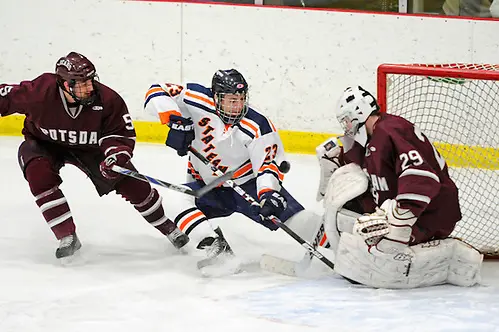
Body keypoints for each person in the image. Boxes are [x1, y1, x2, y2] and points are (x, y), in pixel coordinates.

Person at [0, 51, 189, 261]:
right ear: (63, 83)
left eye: (90, 81)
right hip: (44, 143)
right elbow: (4, 97)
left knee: (135, 186)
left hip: (93, 149)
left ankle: (168, 227)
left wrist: (114, 157)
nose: (89, 87)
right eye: (81, 83)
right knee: (39, 175)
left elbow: (120, 134)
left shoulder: (108, 100)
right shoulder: (40, 91)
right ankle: (67, 236)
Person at [144, 69, 329, 269]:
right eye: (231, 100)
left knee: (292, 219)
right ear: (216, 97)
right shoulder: (195, 98)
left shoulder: (257, 125)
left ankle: (341, 243)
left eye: (241, 99)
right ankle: (217, 249)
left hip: (247, 184)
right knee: (178, 200)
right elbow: (156, 90)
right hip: (207, 186)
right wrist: (175, 120)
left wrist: (268, 194)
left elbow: (267, 165)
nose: (237, 105)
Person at [315, 85, 483, 288]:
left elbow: (423, 178)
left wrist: (400, 221)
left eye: (347, 120)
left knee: (382, 246)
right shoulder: (372, 136)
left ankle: (453, 257)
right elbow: (357, 155)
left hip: (430, 213)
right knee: (350, 219)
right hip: (401, 207)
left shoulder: (390, 131)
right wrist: (335, 156)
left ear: (359, 113)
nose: (346, 127)